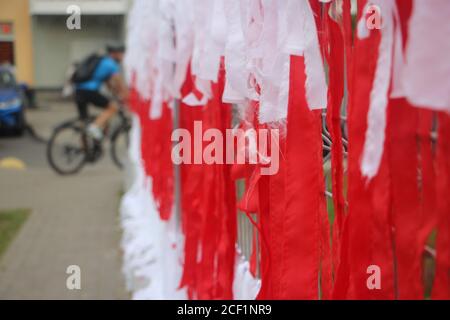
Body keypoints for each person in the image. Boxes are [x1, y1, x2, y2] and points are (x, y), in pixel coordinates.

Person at [75, 44, 128, 140]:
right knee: (113, 108)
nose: (123, 56)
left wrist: (115, 94)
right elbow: (119, 84)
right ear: (114, 54)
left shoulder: (102, 62)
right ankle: (95, 127)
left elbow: (109, 84)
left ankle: (85, 150)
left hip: (78, 90)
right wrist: (126, 97)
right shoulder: (112, 64)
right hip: (89, 91)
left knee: (84, 123)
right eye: (121, 53)